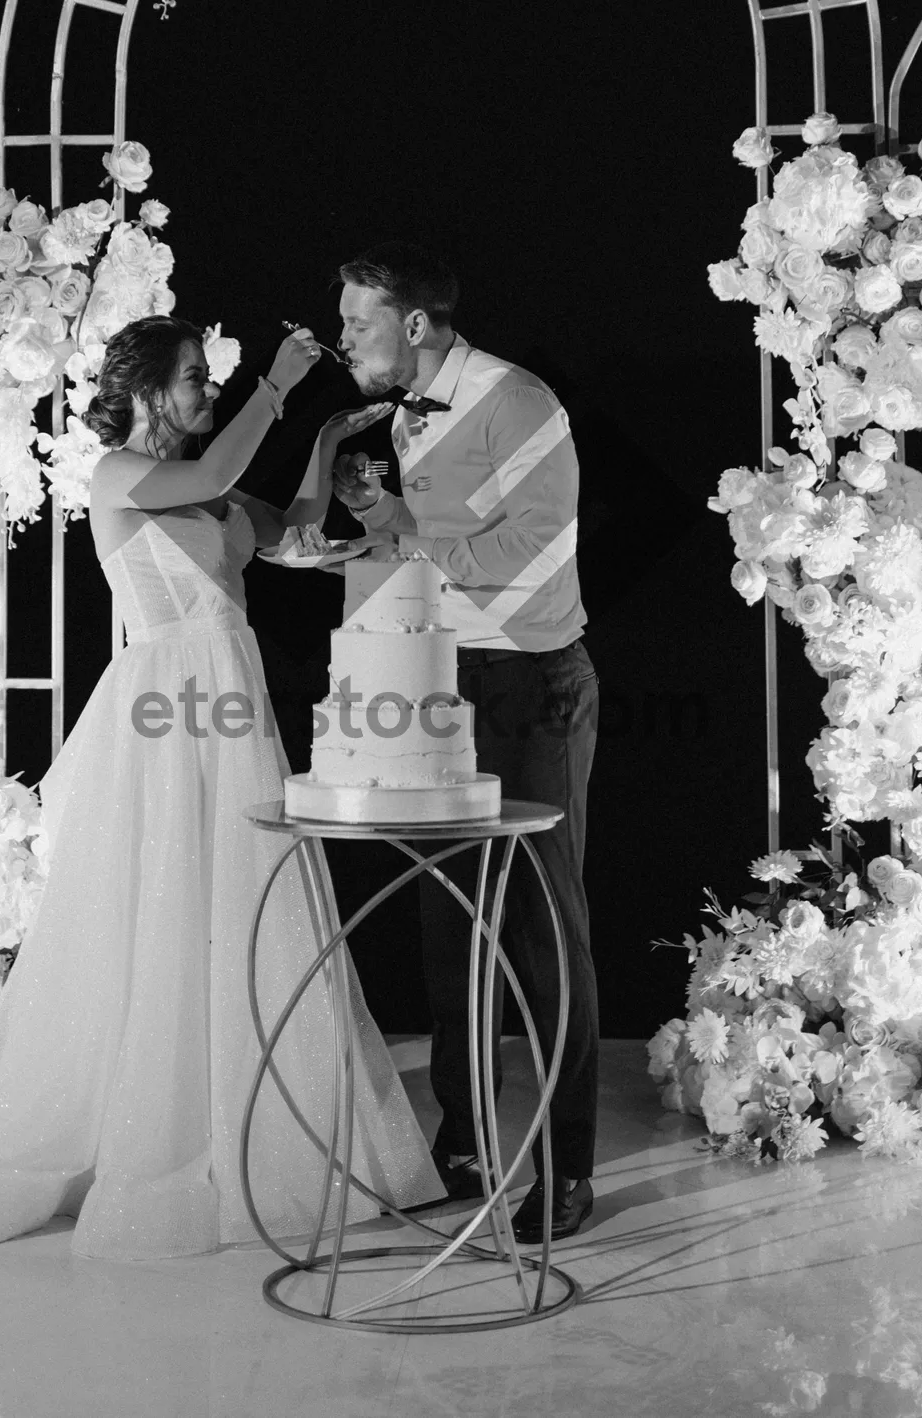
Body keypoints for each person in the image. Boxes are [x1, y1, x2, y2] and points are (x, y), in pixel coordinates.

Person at [0, 315, 444, 1258]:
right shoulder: (120, 478)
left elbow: (293, 535)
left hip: (232, 700)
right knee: (159, 901)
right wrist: (277, 386)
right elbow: (216, 474)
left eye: (207, 381)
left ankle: (249, 1121)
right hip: (167, 706)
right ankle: (140, 1126)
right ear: (142, 392)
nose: (205, 393)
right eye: (192, 380)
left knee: (242, 897)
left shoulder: (212, 497)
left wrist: (322, 442)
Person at [332, 244, 600, 1243]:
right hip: (442, 681)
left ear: (412, 324)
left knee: (539, 930)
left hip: (535, 682)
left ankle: (569, 1169)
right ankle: (464, 1140)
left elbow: (533, 550)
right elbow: (440, 548)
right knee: (452, 925)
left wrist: (410, 541)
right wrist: (381, 512)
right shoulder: (407, 413)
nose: (343, 336)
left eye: (358, 321)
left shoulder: (517, 400)